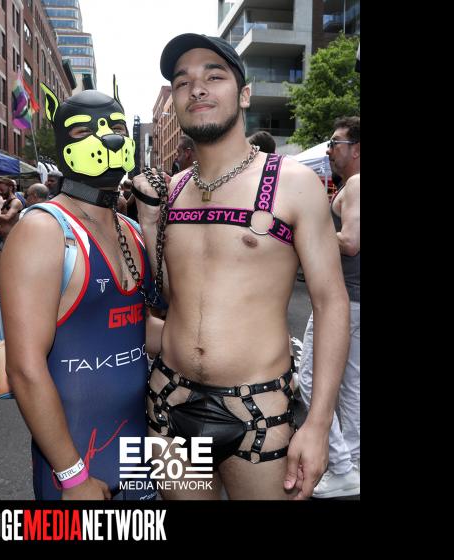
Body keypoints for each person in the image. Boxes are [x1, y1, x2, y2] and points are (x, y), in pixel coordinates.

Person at [132, 33, 350, 500]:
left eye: (214, 76)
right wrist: (150, 223)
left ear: (244, 94)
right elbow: (171, 296)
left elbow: (331, 303)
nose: (197, 88)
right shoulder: (172, 190)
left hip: (259, 412)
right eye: (182, 81)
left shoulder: (293, 183)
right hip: (169, 401)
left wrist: (318, 424)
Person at [0, 85, 163, 500]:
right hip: (75, 462)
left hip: (139, 451)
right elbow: (25, 367)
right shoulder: (43, 230)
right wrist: (72, 475)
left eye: (116, 128)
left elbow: (138, 330)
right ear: (63, 143)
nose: (107, 138)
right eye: (82, 130)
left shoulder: (132, 229)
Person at [298, 116, 360, 498]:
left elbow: (350, 241)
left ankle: (340, 464)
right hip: (355, 300)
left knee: (309, 378)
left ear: (357, 149)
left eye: (336, 143)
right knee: (352, 386)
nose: (329, 149)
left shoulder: (356, 183)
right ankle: (350, 466)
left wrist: (313, 229)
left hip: (345, 301)